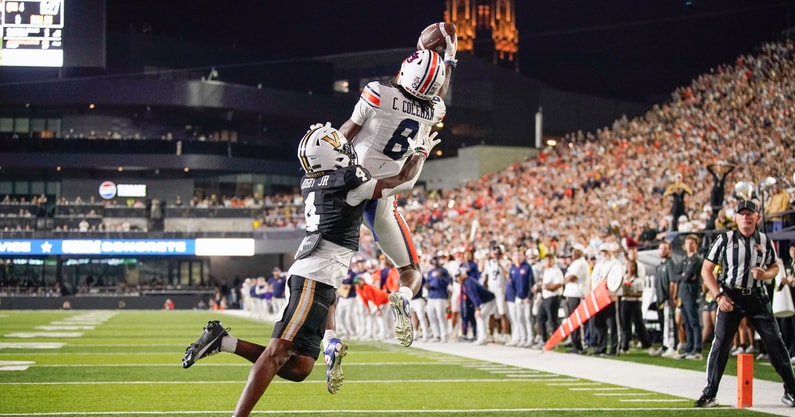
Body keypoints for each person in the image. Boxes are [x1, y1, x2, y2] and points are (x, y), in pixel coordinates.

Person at [181, 122, 437, 417]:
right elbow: (402, 181)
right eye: (338, 146)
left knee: (300, 368)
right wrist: (420, 150)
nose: (345, 147)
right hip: (314, 275)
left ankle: (223, 341)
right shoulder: (348, 179)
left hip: (319, 275)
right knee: (277, 353)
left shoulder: (311, 181)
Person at [337, 41, 457, 347]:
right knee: (409, 271)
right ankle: (403, 296)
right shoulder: (434, 111)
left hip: (350, 183)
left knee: (325, 263)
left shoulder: (377, 92)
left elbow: (347, 131)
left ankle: (326, 336)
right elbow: (438, 96)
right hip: (384, 194)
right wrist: (449, 60)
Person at [694, 199, 795, 408]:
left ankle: (791, 391)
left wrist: (766, 273)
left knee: (776, 343)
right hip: (731, 296)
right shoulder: (724, 239)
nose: (746, 217)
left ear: (757, 217)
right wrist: (719, 296)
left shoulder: (765, 241)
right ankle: (709, 393)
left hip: (757, 297)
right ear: (736, 218)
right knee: (721, 345)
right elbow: (706, 269)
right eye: (742, 214)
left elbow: (775, 266)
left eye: (750, 214)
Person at [675, 234, 703, 360]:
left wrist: (684, 276)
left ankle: (697, 350)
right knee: (686, 323)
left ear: (696, 245)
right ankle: (689, 348)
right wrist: (683, 275)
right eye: (687, 243)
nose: (689, 246)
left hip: (691, 294)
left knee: (694, 322)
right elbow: (676, 276)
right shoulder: (685, 259)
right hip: (683, 294)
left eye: (692, 243)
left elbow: (686, 277)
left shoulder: (697, 259)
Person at [649, 240, 678, 357]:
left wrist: (672, 298)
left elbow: (673, 282)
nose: (662, 251)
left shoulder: (670, 264)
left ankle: (672, 346)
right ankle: (664, 345)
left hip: (667, 299)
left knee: (669, 324)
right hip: (660, 299)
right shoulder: (660, 266)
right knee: (663, 324)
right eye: (661, 248)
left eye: (665, 248)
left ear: (669, 250)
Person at [457, 264, 496, 345]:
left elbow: (474, 296)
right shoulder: (467, 281)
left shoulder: (468, 283)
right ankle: (482, 337)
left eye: (458, 276)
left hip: (487, 300)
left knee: (480, 317)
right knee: (481, 318)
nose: (457, 278)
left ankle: (482, 338)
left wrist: (477, 308)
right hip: (486, 300)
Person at [562, 243, 589, 353]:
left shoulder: (581, 263)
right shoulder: (575, 263)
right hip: (572, 294)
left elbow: (572, 278)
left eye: (575, 251)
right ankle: (575, 344)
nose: (573, 253)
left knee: (578, 321)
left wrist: (565, 279)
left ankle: (580, 345)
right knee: (572, 321)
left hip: (578, 295)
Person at [425, 255, 452, 342]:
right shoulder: (430, 272)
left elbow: (448, 282)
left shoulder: (444, 271)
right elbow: (427, 282)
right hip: (431, 295)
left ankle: (444, 335)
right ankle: (436, 335)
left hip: (441, 295)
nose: (435, 261)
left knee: (441, 316)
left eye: (436, 260)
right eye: (433, 260)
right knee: (431, 316)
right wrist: (427, 286)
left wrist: (441, 277)